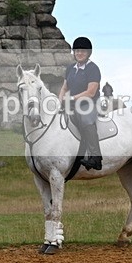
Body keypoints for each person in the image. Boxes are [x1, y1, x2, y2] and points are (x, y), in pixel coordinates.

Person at [58, 37, 103, 170]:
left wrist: (71, 99)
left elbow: (90, 92)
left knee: (86, 120)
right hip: (73, 104)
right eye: (77, 50)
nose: (79, 53)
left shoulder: (93, 69)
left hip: (89, 103)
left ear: (88, 53)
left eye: (82, 51)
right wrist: (60, 101)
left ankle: (96, 158)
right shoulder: (71, 68)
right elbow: (64, 88)